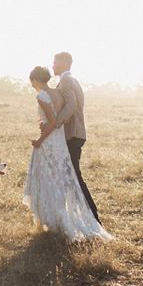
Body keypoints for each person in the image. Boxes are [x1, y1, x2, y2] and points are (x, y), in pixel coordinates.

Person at [22, 65, 113, 242]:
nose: (32, 85)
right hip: (60, 140)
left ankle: (57, 221)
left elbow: (53, 120)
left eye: (32, 81)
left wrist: (39, 140)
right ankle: (62, 218)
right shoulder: (58, 93)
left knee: (48, 179)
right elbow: (59, 117)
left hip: (49, 141)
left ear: (36, 80)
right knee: (61, 179)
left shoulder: (41, 95)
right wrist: (47, 123)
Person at [52, 51, 101, 224]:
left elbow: (71, 105)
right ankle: (72, 217)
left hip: (72, 133)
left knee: (74, 177)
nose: (52, 65)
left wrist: (55, 123)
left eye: (55, 62)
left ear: (64, 63)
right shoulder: (71, 80)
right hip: (75, 133)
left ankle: (93, 218)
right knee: (69, 176)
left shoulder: (66, 81)